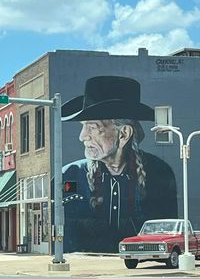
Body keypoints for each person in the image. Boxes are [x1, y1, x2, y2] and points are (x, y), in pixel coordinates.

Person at [61, 76, 178, 252]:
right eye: (83, 127)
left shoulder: (159, 173)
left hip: (140, 266)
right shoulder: (70, 175)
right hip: (85, 268)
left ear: (123, 134)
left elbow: (167, 235)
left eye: (92, 127)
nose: (82, 136)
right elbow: (66, 233)